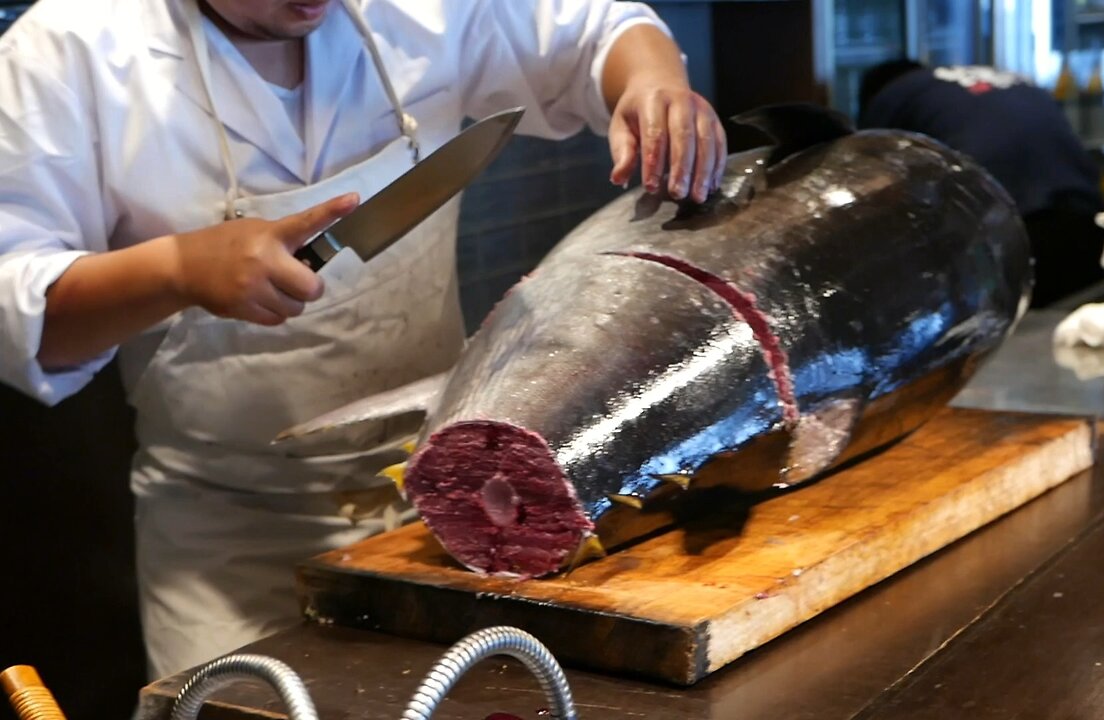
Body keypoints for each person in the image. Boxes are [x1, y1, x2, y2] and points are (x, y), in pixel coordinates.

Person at [0, 0, 726, 679]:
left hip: (449, 501)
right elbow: (19, 313)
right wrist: (175, 269)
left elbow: (593, 27)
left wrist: (654, 84)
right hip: (229, 543)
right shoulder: (69, 49)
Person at [857, 59, 1104, 307]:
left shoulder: (892, 94)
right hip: (1090, 225)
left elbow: (875, 188)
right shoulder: (999, 78)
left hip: (1005, 238)